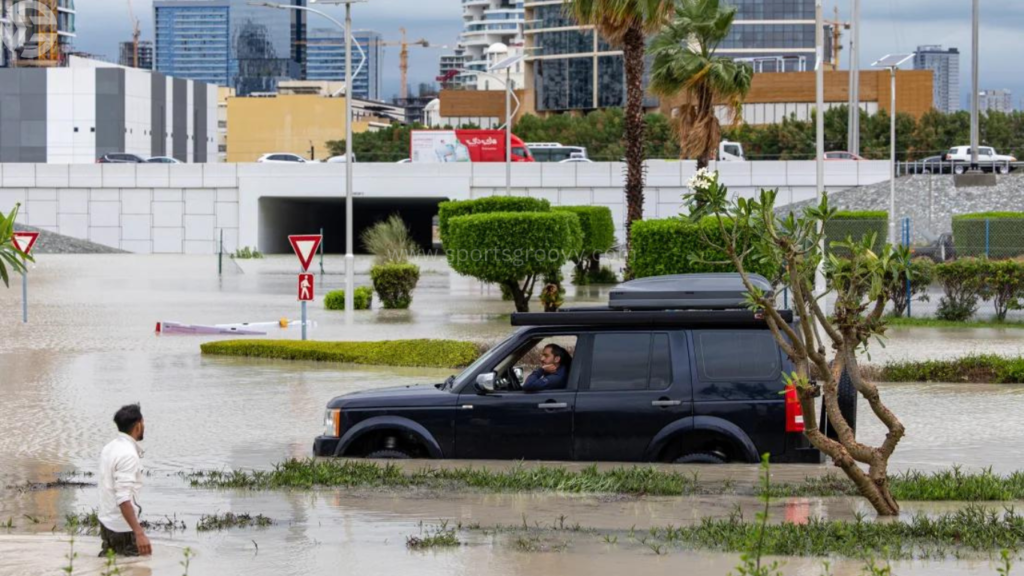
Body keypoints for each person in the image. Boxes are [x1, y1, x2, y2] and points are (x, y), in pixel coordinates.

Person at [98, 404, 151, 557]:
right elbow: (123, 498)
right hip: (123, 528)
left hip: (106, 522)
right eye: (144, 422)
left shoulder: (109, 448)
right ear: (138, 425)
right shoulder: (128, 455)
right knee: (139, 569)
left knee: (112, 566)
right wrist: (139, 533)